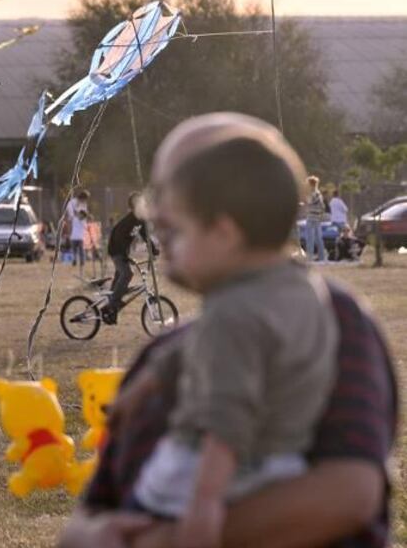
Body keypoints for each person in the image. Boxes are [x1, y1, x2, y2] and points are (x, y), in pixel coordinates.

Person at [58, 113, 395, 548]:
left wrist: (174, 534)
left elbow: (349, 493)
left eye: (170, 194)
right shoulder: (170, 347)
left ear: (224, 227)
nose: (156, 213)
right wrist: (91, 536)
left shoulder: (336, 320)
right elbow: (91, 515)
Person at [110, 123, 339, 546]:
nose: (169, 246)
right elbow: (194, 349)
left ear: (223, 233)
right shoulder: (302, 289)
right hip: (290, 464)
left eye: (178, 233)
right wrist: (146, 383)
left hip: (221, 474)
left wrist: (205, 503)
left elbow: (226, 418)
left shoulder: (234, 313)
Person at [103, 193, 151, 324]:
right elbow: (118, 237)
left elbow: (145, 235)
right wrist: (124, 256)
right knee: (127, 273)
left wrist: (153, 248)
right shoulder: (129, 220)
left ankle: (110, 309)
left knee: (120, 277)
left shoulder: (140, 220)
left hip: (123, 251)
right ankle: (113, 302)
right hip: (115, 249)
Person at [67, 189, 91, 276]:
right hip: (78, 237)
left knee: (78, 251)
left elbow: (83, 214)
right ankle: (77, 261)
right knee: (78, 251)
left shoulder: (79, 217)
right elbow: (71, 212)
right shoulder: (73, 203)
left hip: (77, 237)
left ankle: (79, 263)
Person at [304, 176, 328, 262]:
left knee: (310, 239)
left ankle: (309, 258)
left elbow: (309, 201)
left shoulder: (313, 194)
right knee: (319, 239)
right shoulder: (319, 194)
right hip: (317, 218)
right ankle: (322, 257)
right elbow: (323, 207)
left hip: (311, 218)